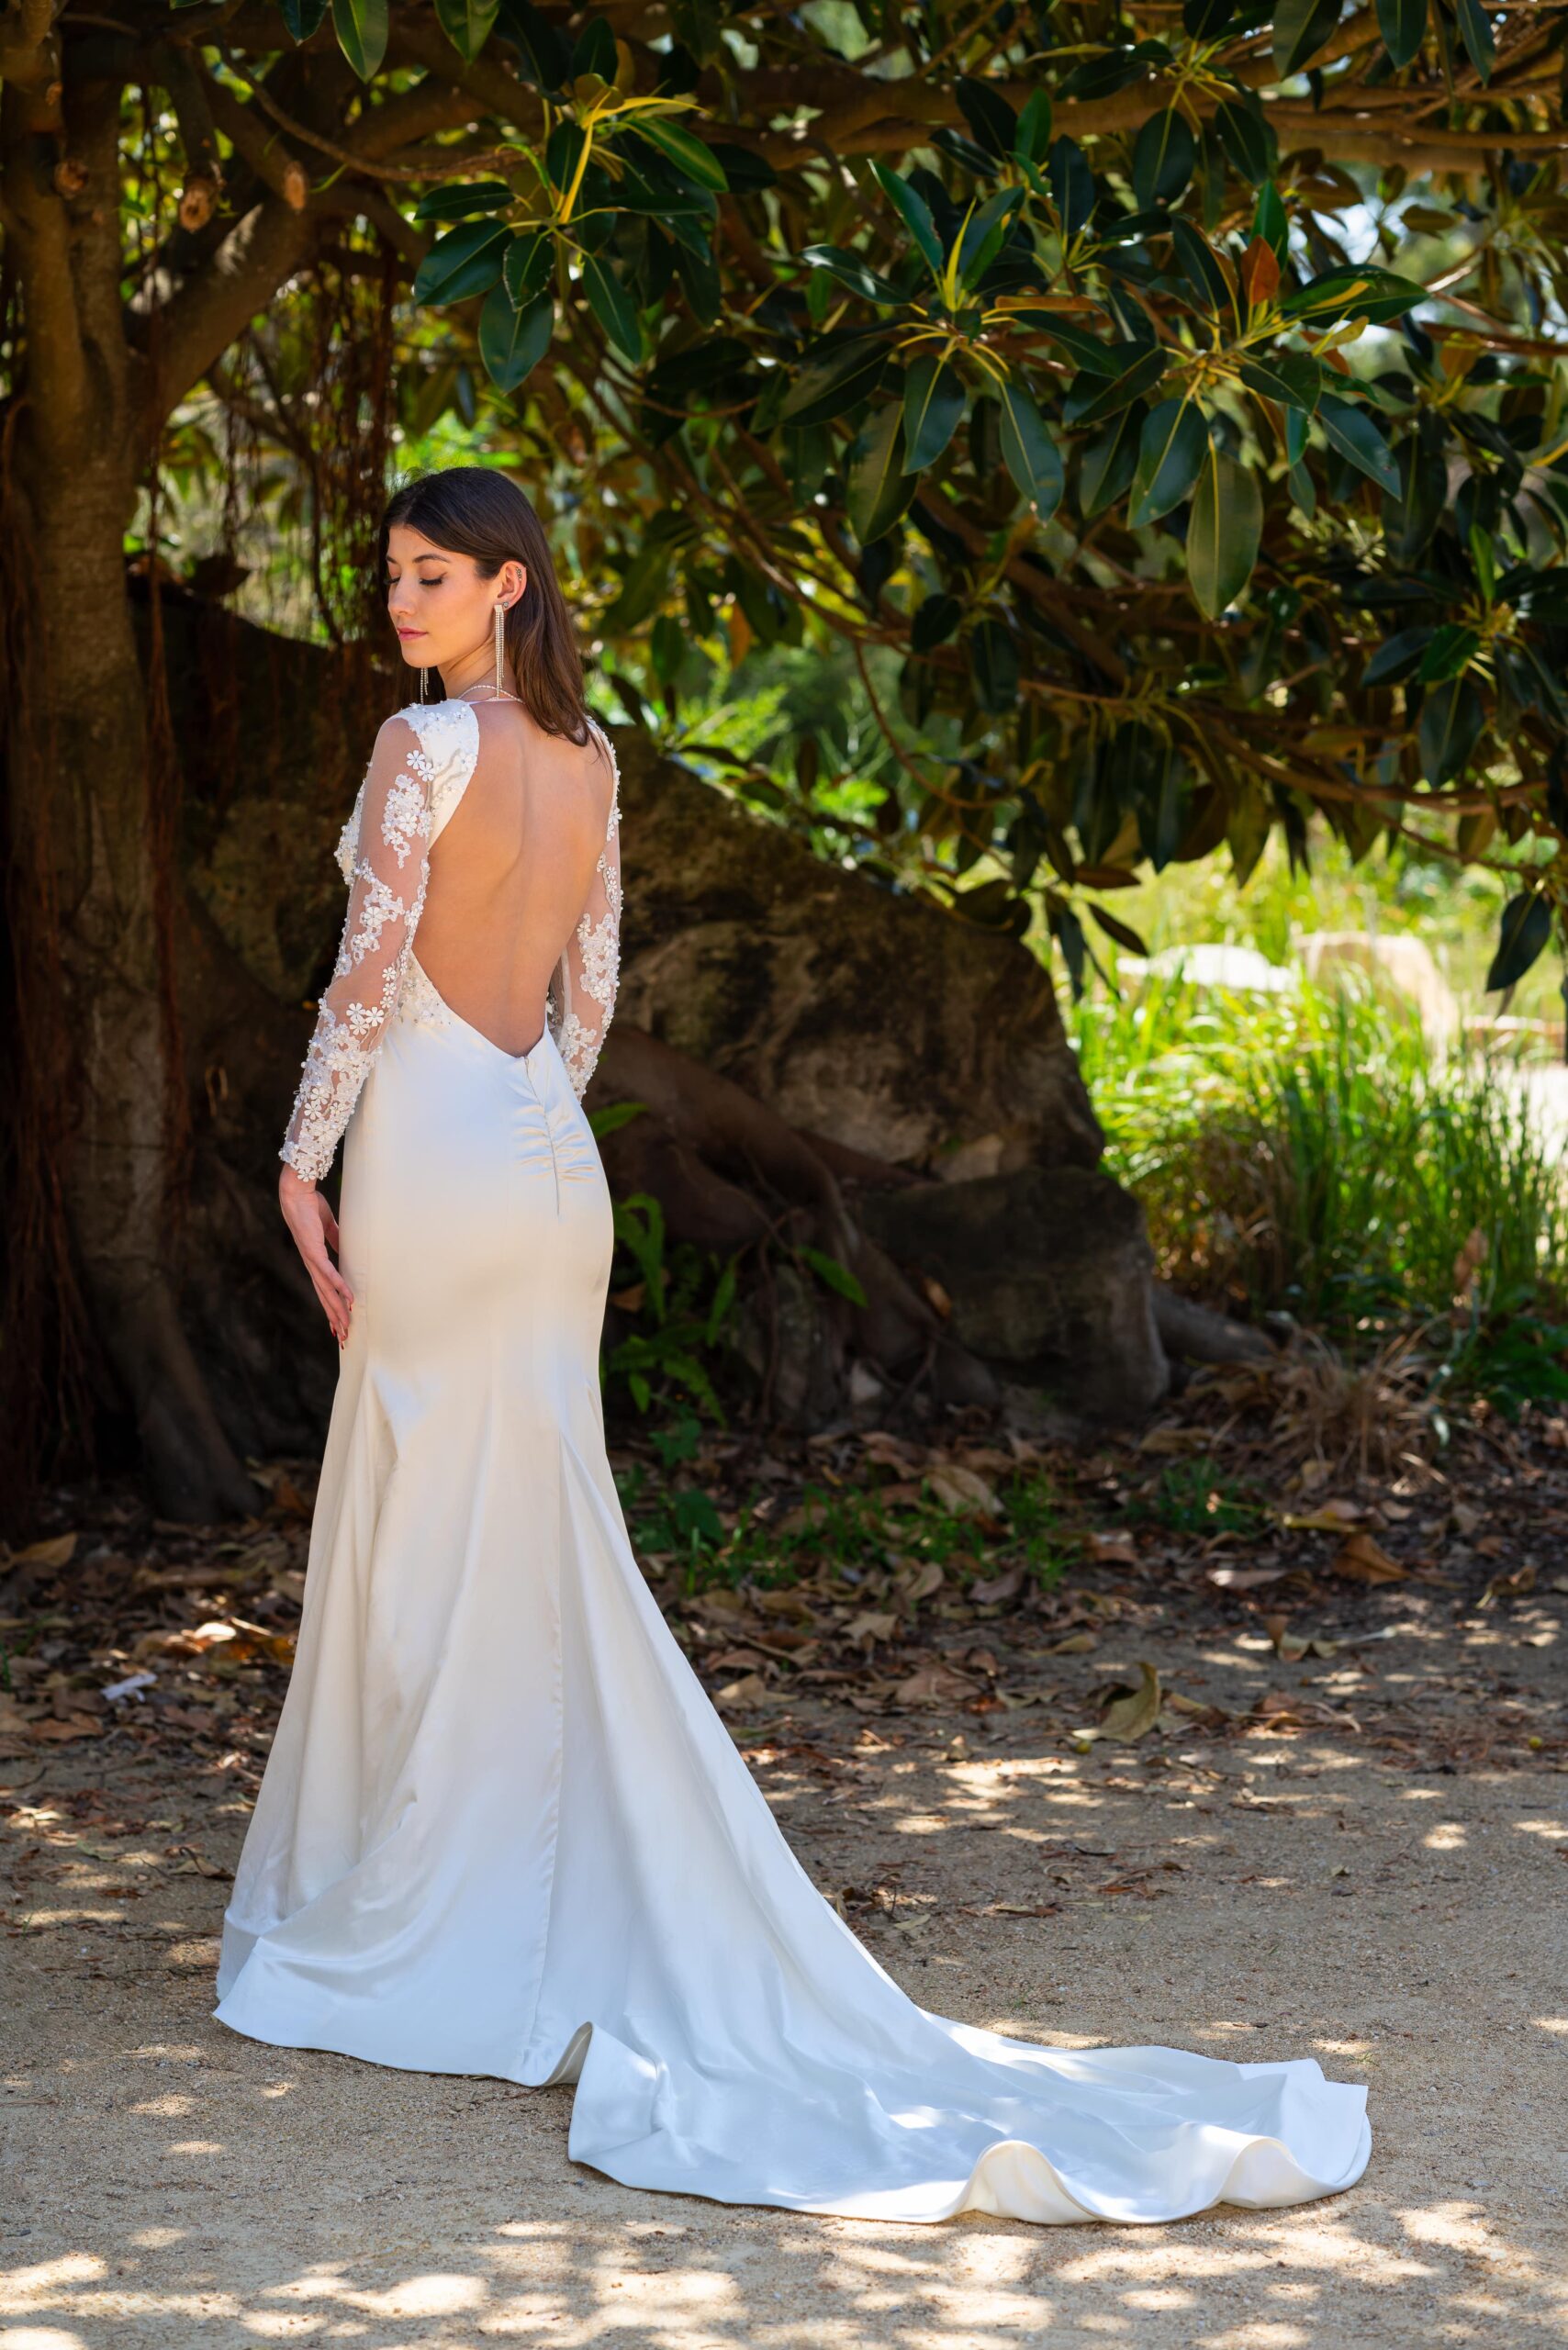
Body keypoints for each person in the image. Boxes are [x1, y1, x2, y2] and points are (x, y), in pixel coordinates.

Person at [213, 464, 1371, 2223]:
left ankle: (429, 1908)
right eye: (390, 575)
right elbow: (588, 991)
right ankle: (510, 1881)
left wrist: (303, 1164)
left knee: (431, 1517)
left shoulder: (419, 750)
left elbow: (368, 974)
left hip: (435, 1155)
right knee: (532, 1526)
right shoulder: (594, 767)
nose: (398, 602)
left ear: (511, 586)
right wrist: (528, 1117)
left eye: (431, 575)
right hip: (541, 1159)